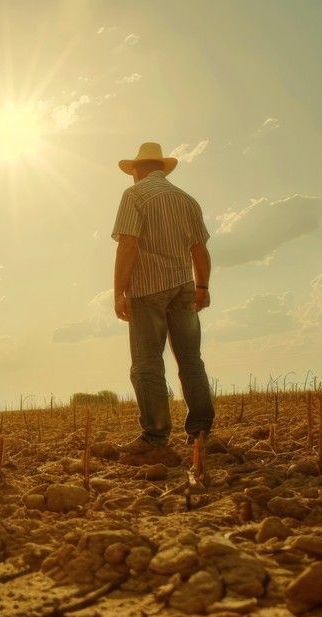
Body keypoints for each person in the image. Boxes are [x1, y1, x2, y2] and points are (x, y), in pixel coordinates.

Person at [110, 142, 215, 455]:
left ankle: (156, 436)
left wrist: (118, 292)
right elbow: (200, 249)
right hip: (183, 286)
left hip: (147, 290)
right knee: (190, 360)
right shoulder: (187, 200)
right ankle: (200, 431)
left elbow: (128, 244)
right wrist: (202, 287)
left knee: (146, 366)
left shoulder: (135, 195)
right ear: (161, 168)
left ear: (139, 170)